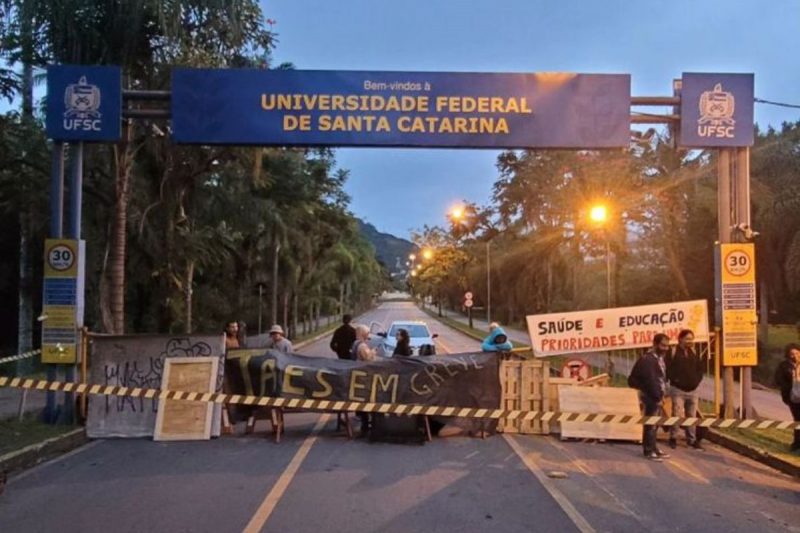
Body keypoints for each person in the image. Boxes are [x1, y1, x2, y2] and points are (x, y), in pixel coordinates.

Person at [628, 333, 671, 461]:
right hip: (651, 396)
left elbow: (660, 378)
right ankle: (648, 450)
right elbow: (650, 380)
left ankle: (654, 448)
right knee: (650, 424)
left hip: (658, 395)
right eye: (663, 345)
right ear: (655, 344)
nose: (665, 348)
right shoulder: (648, 360)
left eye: (667, 346)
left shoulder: (659, 359)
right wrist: (657, 395)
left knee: (655, 424)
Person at [665, 329, 706, 450]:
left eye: (691, 339)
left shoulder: (694, 351)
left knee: (691, 416)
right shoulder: (672, 352)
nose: (690, 341)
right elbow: (667, 369)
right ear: (680, 339)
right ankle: (673, 437)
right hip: (678, 389)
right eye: (687, 339)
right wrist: (675, 380)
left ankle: (691, 440)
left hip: (693, 390)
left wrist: (696, 381)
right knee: (676, 414)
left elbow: (700, 369)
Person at [351, 324, 376, 437]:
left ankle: (362, 419)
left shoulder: (355, 344)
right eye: (367, 333)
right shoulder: (361, 346)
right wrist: (373, 352)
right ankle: (365, 424)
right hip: (363, 375)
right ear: (363, 334)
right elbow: (367, 358)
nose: (368, 335)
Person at [774, 343, 800, 452]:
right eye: (792, 354)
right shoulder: (784, 366)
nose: (794, 356)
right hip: (793, 397)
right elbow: (778, 380)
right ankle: (797, 444)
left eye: (797, 353)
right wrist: (791, 386)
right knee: (798, 419)